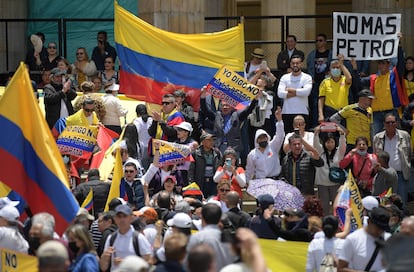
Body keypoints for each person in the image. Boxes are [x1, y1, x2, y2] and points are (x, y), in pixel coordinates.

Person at [199, 86, 256, 155]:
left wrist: (255, 99)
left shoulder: (237, 116)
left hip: (233, 148)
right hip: (218, 148)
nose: (225, 107)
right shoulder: (216, 116)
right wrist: (203, 94)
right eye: (223, 105)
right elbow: (205, 109)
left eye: (227, 105)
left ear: (232, 107)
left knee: (231, 165)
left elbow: (248, 110)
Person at [361, 56, 408, 135]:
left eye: (383, 63)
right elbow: (358, 82)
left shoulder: (394, 75)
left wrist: (399, 47)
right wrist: (355, 69)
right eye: (379, 63)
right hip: (376, 114)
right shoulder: (373, 78)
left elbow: (401, 65)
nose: (381, 65)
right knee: (376, 140)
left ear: (389, 64)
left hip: (391, 112)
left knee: (396, 138)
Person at [373, 113, 412, 205]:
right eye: (388, 122)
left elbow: (409, 154)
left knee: (401, 203)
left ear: (397, 123)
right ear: (384, 124)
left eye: (392, 122)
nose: (390, 124)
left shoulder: (405, 135)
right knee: (384, 203)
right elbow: (375, 155)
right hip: (383, 175)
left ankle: (402, 219)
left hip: (400, 175)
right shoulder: (377, 137)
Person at [338, 206, 391, 272]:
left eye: (382, 229)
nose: (380, 231)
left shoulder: (389, 239)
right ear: (369, 222)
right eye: (378, 228)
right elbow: (341, 268)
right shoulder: (353, 239)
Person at [100, 205, 153, 271]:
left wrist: (126, 263)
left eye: (125, 216)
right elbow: (103, 268)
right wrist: (104, 257)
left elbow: (149, 261)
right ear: (115, 219)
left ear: (131, 218)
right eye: (119, 217)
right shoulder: (111, 238)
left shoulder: (139, 238)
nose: (122, 220)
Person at [186, 203, 234, 271]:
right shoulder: (230, 240)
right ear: (220, 219)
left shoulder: (197, 238)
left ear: (202, 217)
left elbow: (187, 262)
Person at [245, 107, 285, 183]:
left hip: (275, 180)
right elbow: (249, 170)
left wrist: (279, 120)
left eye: (264, 137)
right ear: (257, 140)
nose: (263, 139)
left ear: (267, 138)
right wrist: (247, 182)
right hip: (261, 182)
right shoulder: (252, 154)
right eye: (260, 138)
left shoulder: (273, 146)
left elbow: (280, 136)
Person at [313, 125, 346, 215]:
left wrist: (342, 134)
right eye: (328, 142)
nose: (330, 144)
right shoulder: (320, 152)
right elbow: (315, 145)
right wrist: (316, 133)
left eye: (332, 142)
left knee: (337, 207)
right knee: (324, 208)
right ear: (324, 143)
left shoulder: (339, 153)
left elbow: (343, 145)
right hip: (322, 184)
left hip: (335, 184)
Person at [277, 55, 313, 133]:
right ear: (290, 64)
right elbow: (280, 93)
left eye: (297, 63)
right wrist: (300, 92)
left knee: (302, 138)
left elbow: (307, 92)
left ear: (301, 64)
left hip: (302, 112)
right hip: (287, 112)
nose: (295, 65)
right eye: (293, 63)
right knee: (288, 138)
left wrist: (289, 90)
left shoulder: (307, 77)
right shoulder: (284, 77)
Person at [306, 34, 332, 128]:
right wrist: (311, 78)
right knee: (315, 104)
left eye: (320, 40)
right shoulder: (312, 55)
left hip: (328, 83)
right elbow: (309, 68)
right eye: (316, 40)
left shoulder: (330, 54)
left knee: (327, 104)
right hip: (316, 84)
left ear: (325, 42)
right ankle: (315, 125)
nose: (318, 42)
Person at [318, 54, 353, 123]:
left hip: (343, 112)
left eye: (337, 67)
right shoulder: (325, 82)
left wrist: (342, 64)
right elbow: (321, 99)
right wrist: (320, 114)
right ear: (330, 70)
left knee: (343, 132)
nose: (335, 69)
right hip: (329, 111)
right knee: (330, 133)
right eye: (333, 67)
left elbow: (350, 78)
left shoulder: (344, 79)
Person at [188, 132, 222, 198]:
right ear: (203, 142)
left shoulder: (217, 153)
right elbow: (191, 170)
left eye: (212, 140)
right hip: (200, 182)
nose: (211, 142)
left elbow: (221, 167)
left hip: (213, 182)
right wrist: (191, 184)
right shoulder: (195, 154)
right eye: (209, 140)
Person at [133, 104, 153, 170]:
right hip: (152, 147)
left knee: (143, 168)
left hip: (142, 147)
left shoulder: (137, 121)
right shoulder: (151, 119)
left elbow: (135, 132)